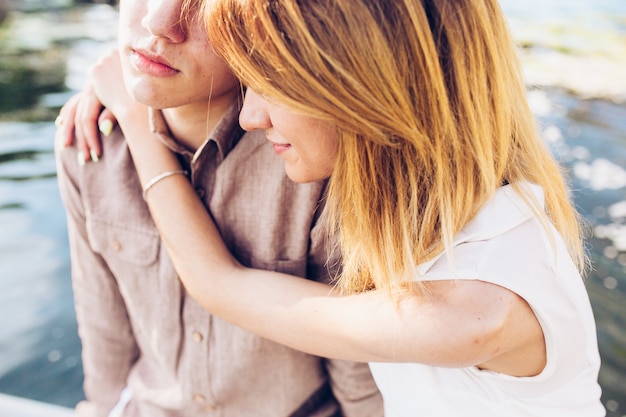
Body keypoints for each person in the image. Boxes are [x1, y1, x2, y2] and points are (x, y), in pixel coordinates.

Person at [79, 0, 605, 416]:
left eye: (271, 83)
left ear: (360, 91)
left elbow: (216, 284)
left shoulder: (474, 313)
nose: (250, 116)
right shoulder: (478, 218)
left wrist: (131, 113)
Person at [54, 0, 383, 416]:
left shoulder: (311, 156)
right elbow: (105, 340)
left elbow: (357, 371)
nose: (160, 24)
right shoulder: (89, 144)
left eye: (205, 5)